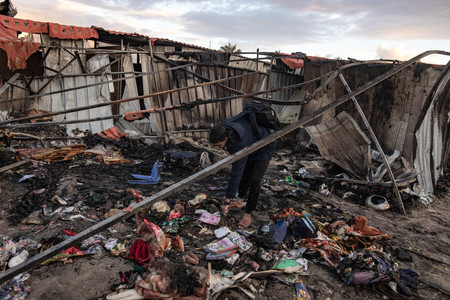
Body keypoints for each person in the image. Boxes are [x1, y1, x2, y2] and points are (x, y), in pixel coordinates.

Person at [209, 111, 276, 228]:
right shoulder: (226, 127)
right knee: (245, 173)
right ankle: (239, 201)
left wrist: (227, 199)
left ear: (226, 138)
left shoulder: (238, 143)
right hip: (251, 145)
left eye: (219, 145)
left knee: (255, 180)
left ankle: (248, 215)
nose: (218, 148)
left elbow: (235, 172)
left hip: (264, 147)